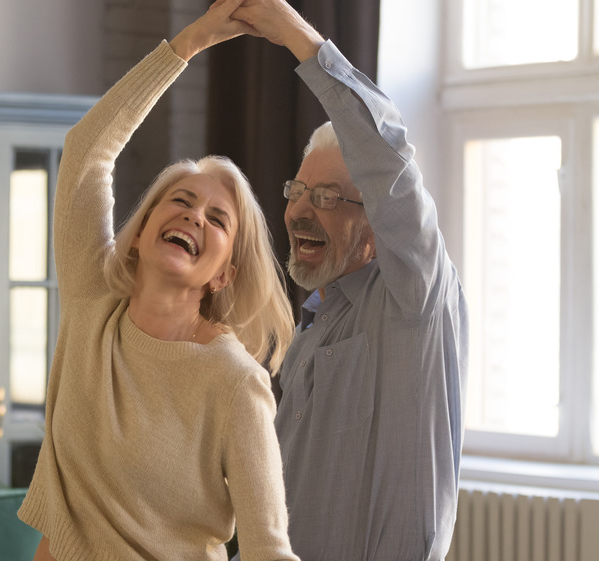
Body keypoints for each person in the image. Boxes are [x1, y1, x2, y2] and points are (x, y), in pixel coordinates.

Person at [16, 2, 299, 560]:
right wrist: (186, 45)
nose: (195, 216)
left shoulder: (234, 382)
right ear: (142, 231)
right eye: (182, 201)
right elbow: (87, 153)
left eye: (217, 220)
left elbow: (269, 548)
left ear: (223, 274)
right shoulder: (92, 301)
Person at [230, 2, 469, 560]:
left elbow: (388, 161)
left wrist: (295, 35)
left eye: (329, 198)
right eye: (298, 191)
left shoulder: (417, 299)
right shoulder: (313, 326)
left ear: (378, 221)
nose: (299, 212)